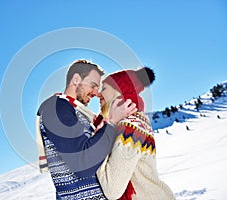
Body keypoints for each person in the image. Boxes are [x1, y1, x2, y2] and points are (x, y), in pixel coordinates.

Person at [36, 60, 137, 199]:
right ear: (76, 79)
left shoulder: (76, 113)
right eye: (93, 85)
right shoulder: (57, 107)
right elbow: (82, 164)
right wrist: (112, 123)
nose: (96, 93)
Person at [96, 67, 176, 200]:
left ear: (119, 92)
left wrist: (96, 145)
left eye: (104, 88)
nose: (98, 94)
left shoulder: (131, 127)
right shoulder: (124, 123)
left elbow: (112, 189)